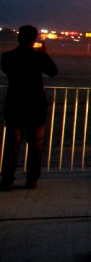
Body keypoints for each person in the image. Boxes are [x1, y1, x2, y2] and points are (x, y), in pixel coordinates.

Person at [1, 25, 58, 190]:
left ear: (19, 37)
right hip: (35, 106)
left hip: (14, 104)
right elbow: (53, 72)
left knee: (11, 144)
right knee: (35, 144)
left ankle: (7, 179)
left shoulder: (7, 57)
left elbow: (6, 69)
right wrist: (44, 55)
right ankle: (32, 178)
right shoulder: (38, 57)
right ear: (34, 39)